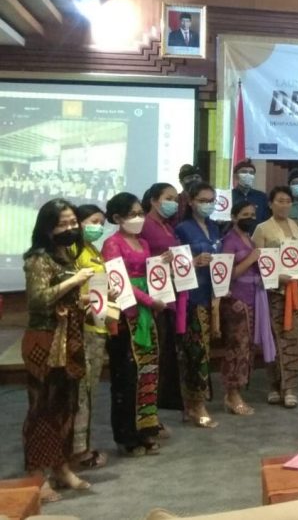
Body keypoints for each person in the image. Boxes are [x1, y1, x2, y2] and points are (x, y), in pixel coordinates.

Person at [22, 199, 94, 502]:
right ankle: (37, 476)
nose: (70, 228)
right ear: (48, 227)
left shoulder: (67, 255)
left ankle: (61, 468)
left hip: (71, 338)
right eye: (63, 224)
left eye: (73, 222)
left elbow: (67, 298)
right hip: (46, 340)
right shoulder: (38, 259)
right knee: (43, 409)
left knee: (67, 406)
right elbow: (38, 299)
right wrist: (75, 280)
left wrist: (87, 300)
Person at [102, 192, 164, 456]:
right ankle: (126, 435)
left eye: (141, 213)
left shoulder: (143, 243)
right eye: (132, 214)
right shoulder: (112, 244)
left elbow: (150, 274)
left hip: (147, 314)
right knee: (126, 377)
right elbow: (120, 282)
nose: (138, 218)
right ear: (117, 218)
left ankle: (146, 428)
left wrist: (163, 267)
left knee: (148, 372)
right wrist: (149, 301)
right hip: (126, 315)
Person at [252, 187, 298, 408]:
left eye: (288, 201)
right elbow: (257, 262)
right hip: (274, 292)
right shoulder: (262, 228)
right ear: (270, 203)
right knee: (275, 339)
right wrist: (276, 277)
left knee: (294, 340)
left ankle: (290, 387)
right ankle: (274, 385)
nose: (284, 205)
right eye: (280, 201)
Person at [174, 183, 221, 428]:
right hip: (191, 297)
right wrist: (194, 260)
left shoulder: (214, 226)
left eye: (212, 200)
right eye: (203, 200)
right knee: (195, 352)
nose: (208, 204)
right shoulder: (182, 229)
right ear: (191, 201)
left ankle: (193, 403)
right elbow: (176, 264)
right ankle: (196, 404)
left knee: (204, 351)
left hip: (210, 294)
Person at [140, 182, 186, 413]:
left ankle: (165, 396)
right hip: (153, 291)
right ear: (153, 200)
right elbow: (139, 259)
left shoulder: (168, 225)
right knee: (158, 343)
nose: (173, 203)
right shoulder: (145, 225)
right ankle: (151, 398)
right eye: (169, 198)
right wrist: (161, 261)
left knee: (168, 345)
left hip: (171, 289)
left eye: (176, 199)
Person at [219, 201, 269, 416]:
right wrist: (251, 259)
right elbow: (228, 274)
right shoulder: (229, 241)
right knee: (236, 347)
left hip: (253, 297)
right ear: (234, 217)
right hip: (236, 300)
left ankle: (238, 390)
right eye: (245, 214)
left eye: (252, 214)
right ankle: (232, 393)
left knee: (247, 348)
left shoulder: (249, 238)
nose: (250, 218)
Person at [69, 204, 108, 471]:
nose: (98, 227)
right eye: (93, 221)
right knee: (80, 391)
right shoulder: (73, 251)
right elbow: (72, 291)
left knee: (90, 390)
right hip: (81, 326)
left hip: (98, 324)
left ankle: (83, 445)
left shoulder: (93, 250)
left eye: (101, 223)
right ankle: (77, 450)